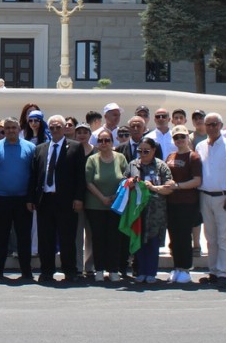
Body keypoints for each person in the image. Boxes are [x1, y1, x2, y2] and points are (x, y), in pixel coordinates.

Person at [30, 115, 86, 283]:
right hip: (45, 200)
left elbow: (80, 175)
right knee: (45, 238)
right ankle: (47, 271)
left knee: (67, 238)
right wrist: (32, 198)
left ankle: (70, 271)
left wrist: (78, 198)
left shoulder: (75, 147)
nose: (55, 130)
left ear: (64, 128)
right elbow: (34, 175)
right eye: (52, 128)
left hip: (66, 200)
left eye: (58, 127)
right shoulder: (40, 148)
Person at [0, 118, 37, 282]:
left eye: (14, 128)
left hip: (23, 199)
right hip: (0, 198)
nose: (11, 131)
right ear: (3, 130)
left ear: (19, 128)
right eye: (7, 128)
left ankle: (26, 271)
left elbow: (34, 176)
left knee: (23, 236)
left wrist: (32, 198)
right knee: (1, 236)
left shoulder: (30, 147)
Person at [195, 113, 226, 286]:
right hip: (205, 196)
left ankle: (223, 274)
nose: (211, 127)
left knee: (224, 237)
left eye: (215, 124)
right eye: (208, 124)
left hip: (223, 197)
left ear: (221, 125)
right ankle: (213, 271)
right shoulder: (200, 146)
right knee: (210, 237)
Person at [126, 137, 175, 284]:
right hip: (137, 209)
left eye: (146, 151)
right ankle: (140, 271)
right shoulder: (133, 164)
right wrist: (131, 182)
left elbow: (169, 187)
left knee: (152, 241)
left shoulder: (161, 166)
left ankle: (151, 272)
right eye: (140, 151)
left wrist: (153, 188)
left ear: (154, 150)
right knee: (139, 240)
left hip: (155, 211)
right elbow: (123, 182)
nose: (143, 154)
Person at [83, 129, 125, 281]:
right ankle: (99, 269)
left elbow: (125, 179)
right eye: (100, 140)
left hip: (116, 205)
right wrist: (102, 198)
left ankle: (113, 270)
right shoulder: (92, 159)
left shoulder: (120, 158)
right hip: (96, 205)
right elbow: (88, 181)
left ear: (112, 142)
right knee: (98, 238)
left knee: (114, 238)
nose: (104, 143)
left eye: (107, 140)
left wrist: (114, 197)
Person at [164, 125, 202, 284]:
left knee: (185, 236)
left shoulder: (194, 157)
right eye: (176, 137)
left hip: (187, 202)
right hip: (171, 202)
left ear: (188, 138)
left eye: (182, 136)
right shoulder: (170, 156)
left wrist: (178, 186)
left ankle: (186, 268)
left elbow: (197, 180)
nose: (179, 140)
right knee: (174, 236)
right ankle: (177, 267)